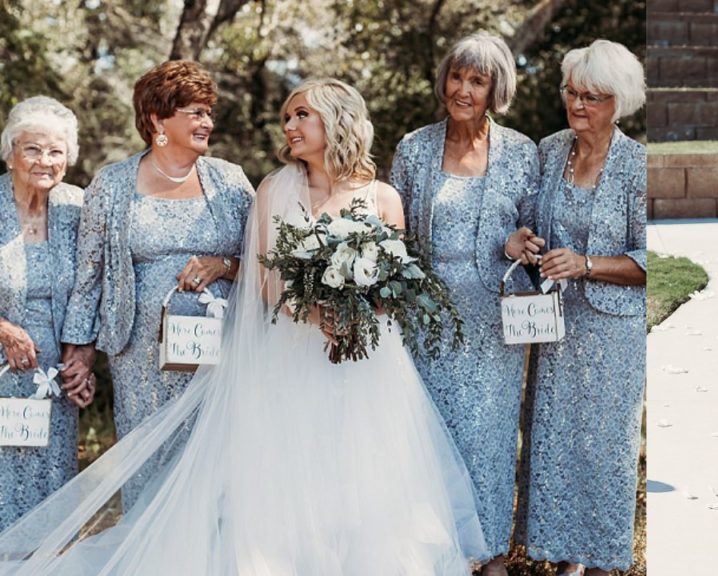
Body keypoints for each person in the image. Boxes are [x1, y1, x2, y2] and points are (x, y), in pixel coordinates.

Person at [0, 78, 487, 574]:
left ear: (336, 120)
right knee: (289, 473)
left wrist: (360, 314)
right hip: (282, 350)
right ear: (156, 122)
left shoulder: (381, 196)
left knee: (366, 470)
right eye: (288, 118)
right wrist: (317, 314)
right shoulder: (274, 187)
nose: (290, 126)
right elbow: (265, 277)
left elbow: (394, 281)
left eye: (301, 115)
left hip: (368, 359)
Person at [60, 61, 254, 507]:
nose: (208, 122)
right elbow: (90, 276)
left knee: (217, 470)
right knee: (150, 472)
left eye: (209, 112)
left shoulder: (230, 180)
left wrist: (222, 264)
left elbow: (263, 264)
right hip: (141, 359)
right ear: (157, 119)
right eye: (196, 112)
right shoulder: (110, 184)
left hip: (221, 355)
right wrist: (81, 351)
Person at [389, 31, 539, 575]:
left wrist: (521, 243)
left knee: (490, 437)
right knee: (427, 434)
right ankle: (435, 554)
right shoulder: (414, 147)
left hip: (494, 317)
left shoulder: (521, 152)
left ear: (495, 88)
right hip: (423, 316)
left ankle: (491, 553)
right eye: (457, 76)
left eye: (478, 80)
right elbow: (392, 234)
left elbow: (533, 227)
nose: (464, 89)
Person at [511, 40, 646, 576]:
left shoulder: (638, 164)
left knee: (605, 444)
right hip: (551, 324)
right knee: (550, 439)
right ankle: (561, 555)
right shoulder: (547, 150)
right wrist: (519, 240)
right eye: (572, 91)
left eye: (592, 95)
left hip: (612, 329)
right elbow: (524, 219)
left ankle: (601, 557)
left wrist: (588, 263)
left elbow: (649, 255)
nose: (578, 104)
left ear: (620, 100)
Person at [0, 96, 96, 532]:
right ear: (10, 152)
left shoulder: (76, 207)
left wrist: (83, 357)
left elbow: (92, 286)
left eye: (56, 151)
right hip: (3, 365)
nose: (45, 160)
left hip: (52, 374)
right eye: (33, 149)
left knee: (51, 486)